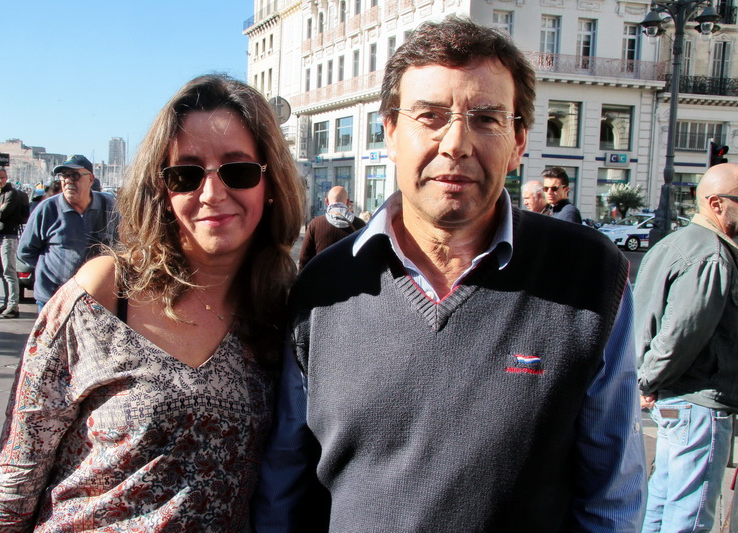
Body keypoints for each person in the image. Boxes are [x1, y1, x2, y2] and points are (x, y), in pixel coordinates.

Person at [253, 16, 646, 531]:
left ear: (518, 141)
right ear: (391, 133)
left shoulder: (590, 276)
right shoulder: (325, 288)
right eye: (431, 116)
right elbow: (285, 479)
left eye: (485, 118)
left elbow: (610, 496)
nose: (456, 143)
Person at [0, 74, 304, 530]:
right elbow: (18, 467)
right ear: (162, 189)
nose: (212, 193)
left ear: (269, 182)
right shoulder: (106, 291)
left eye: (238, 170)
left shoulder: (281, 310)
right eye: (186, 174)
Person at [635, 163, 738, 533]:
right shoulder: (712, 257)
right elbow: (679, 337)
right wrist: (646, 381)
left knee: (662, 505)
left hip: (679, 403)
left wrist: (645, 380)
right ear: (717, 204)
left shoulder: (677, 244)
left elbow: (650, 323)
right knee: (689, 517)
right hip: (700, 404)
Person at [18, 155, 119, 311]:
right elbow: (25, 252)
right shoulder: (47, 209)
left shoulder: (109, 206)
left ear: (90, 179)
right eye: (64, 176)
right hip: (53, 300)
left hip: (96, 301)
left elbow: (122, 245)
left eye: (75, 175)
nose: (68, 180)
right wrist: (51, 269)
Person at [298, 185, 366, 270]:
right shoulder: (360, 225)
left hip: (322, 280)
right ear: (348, 202)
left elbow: (304, 259)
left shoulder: (315, 224)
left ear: (326, 201)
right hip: (350, 281)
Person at [0, 167, 22, 319]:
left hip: (8, 236)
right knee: (2, 272)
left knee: (9, 272)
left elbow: (2, 213)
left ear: (6, 177)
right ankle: (6, 303)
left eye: (1, 177)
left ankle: (13, 306)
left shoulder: (12, 193)